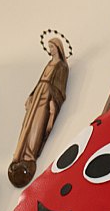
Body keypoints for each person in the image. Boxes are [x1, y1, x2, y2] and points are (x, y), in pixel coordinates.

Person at [8, 38, 69, 187]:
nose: (51, 49)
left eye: (53, 47)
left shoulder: (61, 67)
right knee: (27, 126)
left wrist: (53, 102)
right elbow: (40, 82)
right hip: (37, 97)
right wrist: (31, 95)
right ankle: (19, 155)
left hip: (47, 98)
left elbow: (60, 88)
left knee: (37, 127)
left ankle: (29, 157)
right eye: (49, 47)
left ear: (58, 48)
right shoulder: (49, 63)